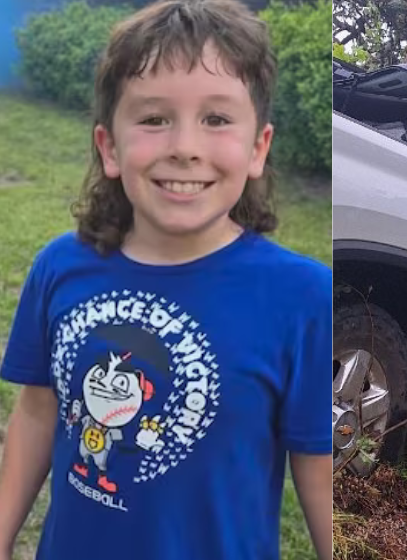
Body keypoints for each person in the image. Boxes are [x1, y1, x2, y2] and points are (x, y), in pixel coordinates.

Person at [0, 1, 332, 559]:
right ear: (110, 147)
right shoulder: (59, 267)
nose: (184, 146)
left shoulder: (303, 298)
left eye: (217, 119)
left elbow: (319, 469)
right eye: (154, 119)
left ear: (257, 148)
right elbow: (38, 409)